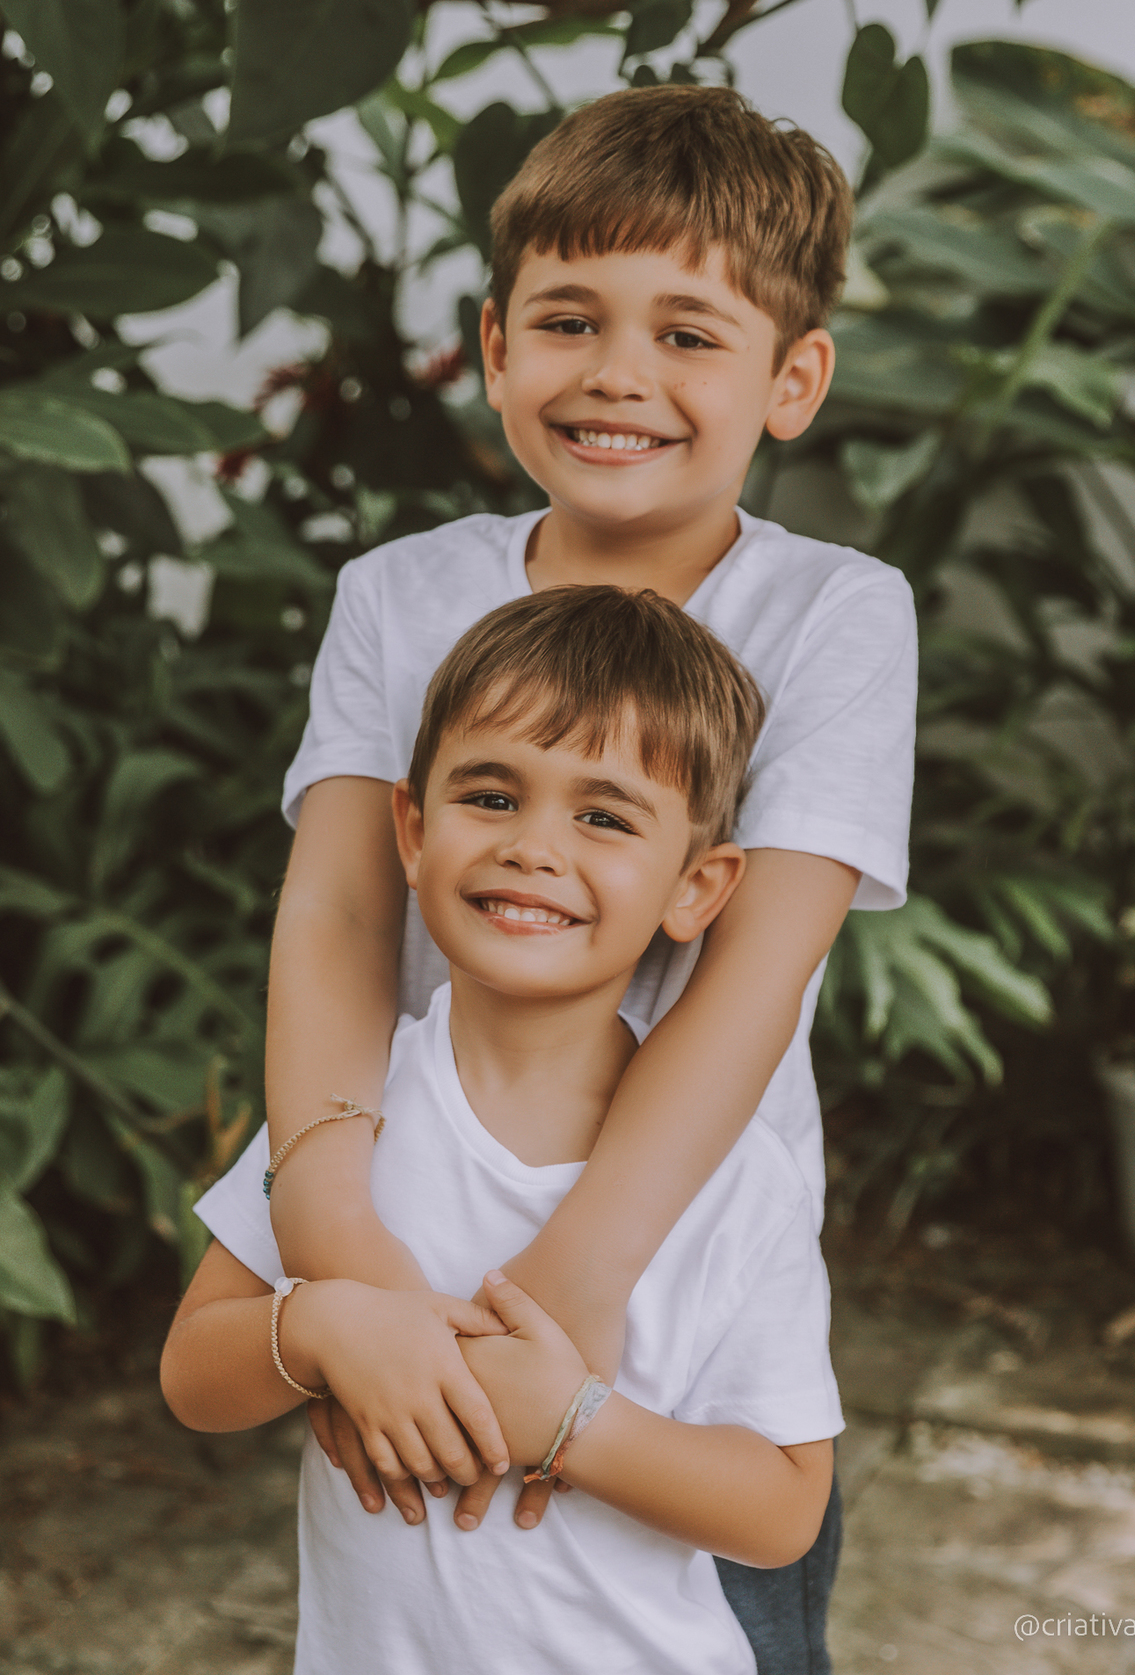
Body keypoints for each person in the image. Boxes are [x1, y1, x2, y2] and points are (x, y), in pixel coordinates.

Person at [260, 84, 917, 1670]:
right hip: (415, 1233)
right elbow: (338, 913)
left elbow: (758, 968)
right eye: (569, 320)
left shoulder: (837, 613)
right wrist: (349, 1266)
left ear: (793, 380)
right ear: (495, 348)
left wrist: (581, 1277)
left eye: (688, 333)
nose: (619, 373)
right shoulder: (398, 595)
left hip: (674, 1261)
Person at [161, 586, 843, 1675]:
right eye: (491, 795)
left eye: (604, 817)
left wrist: (572, 1422)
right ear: (413, 832)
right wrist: (324, 1327)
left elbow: (785, 1510)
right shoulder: (344, 1121)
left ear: (697, 887)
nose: (534, 846)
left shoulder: (733, 1180)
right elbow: (194, 1377)